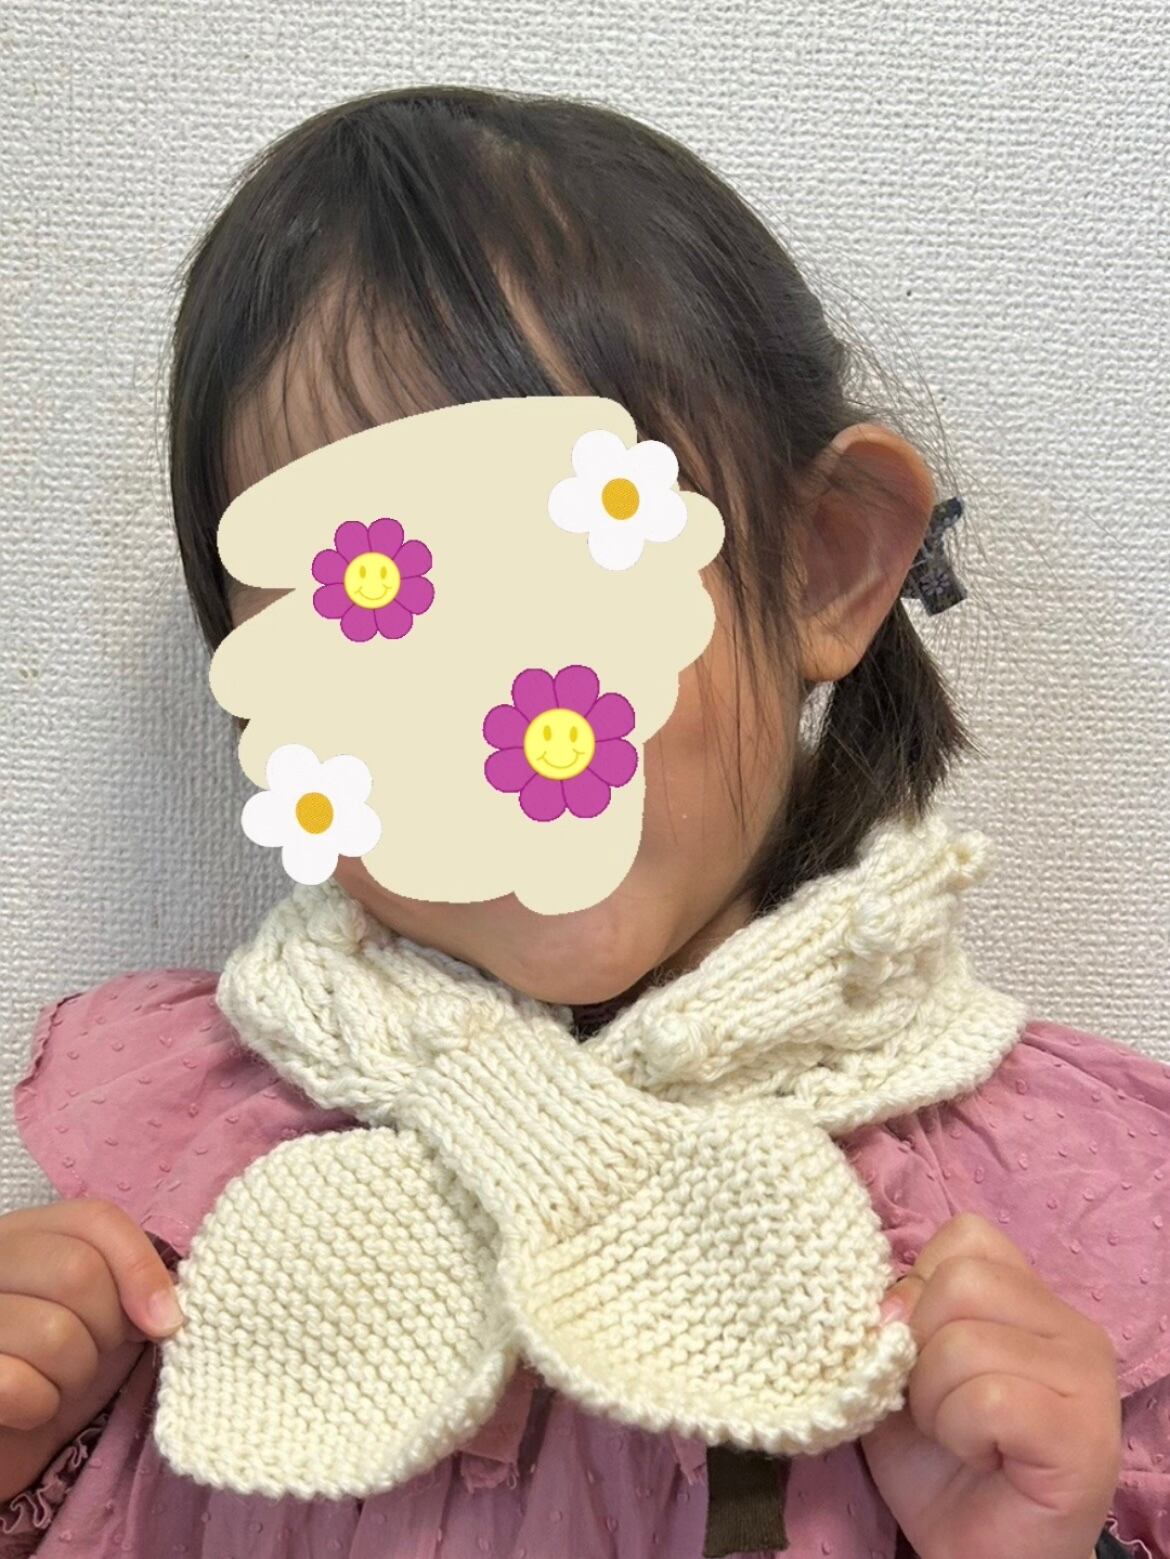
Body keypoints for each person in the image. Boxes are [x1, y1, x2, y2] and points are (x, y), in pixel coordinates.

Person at [1, 87, 1165, 1559]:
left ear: (824, 563)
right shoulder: (179, 1171)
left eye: (550, 587)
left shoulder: (1053, 1211)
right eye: (363, 620)